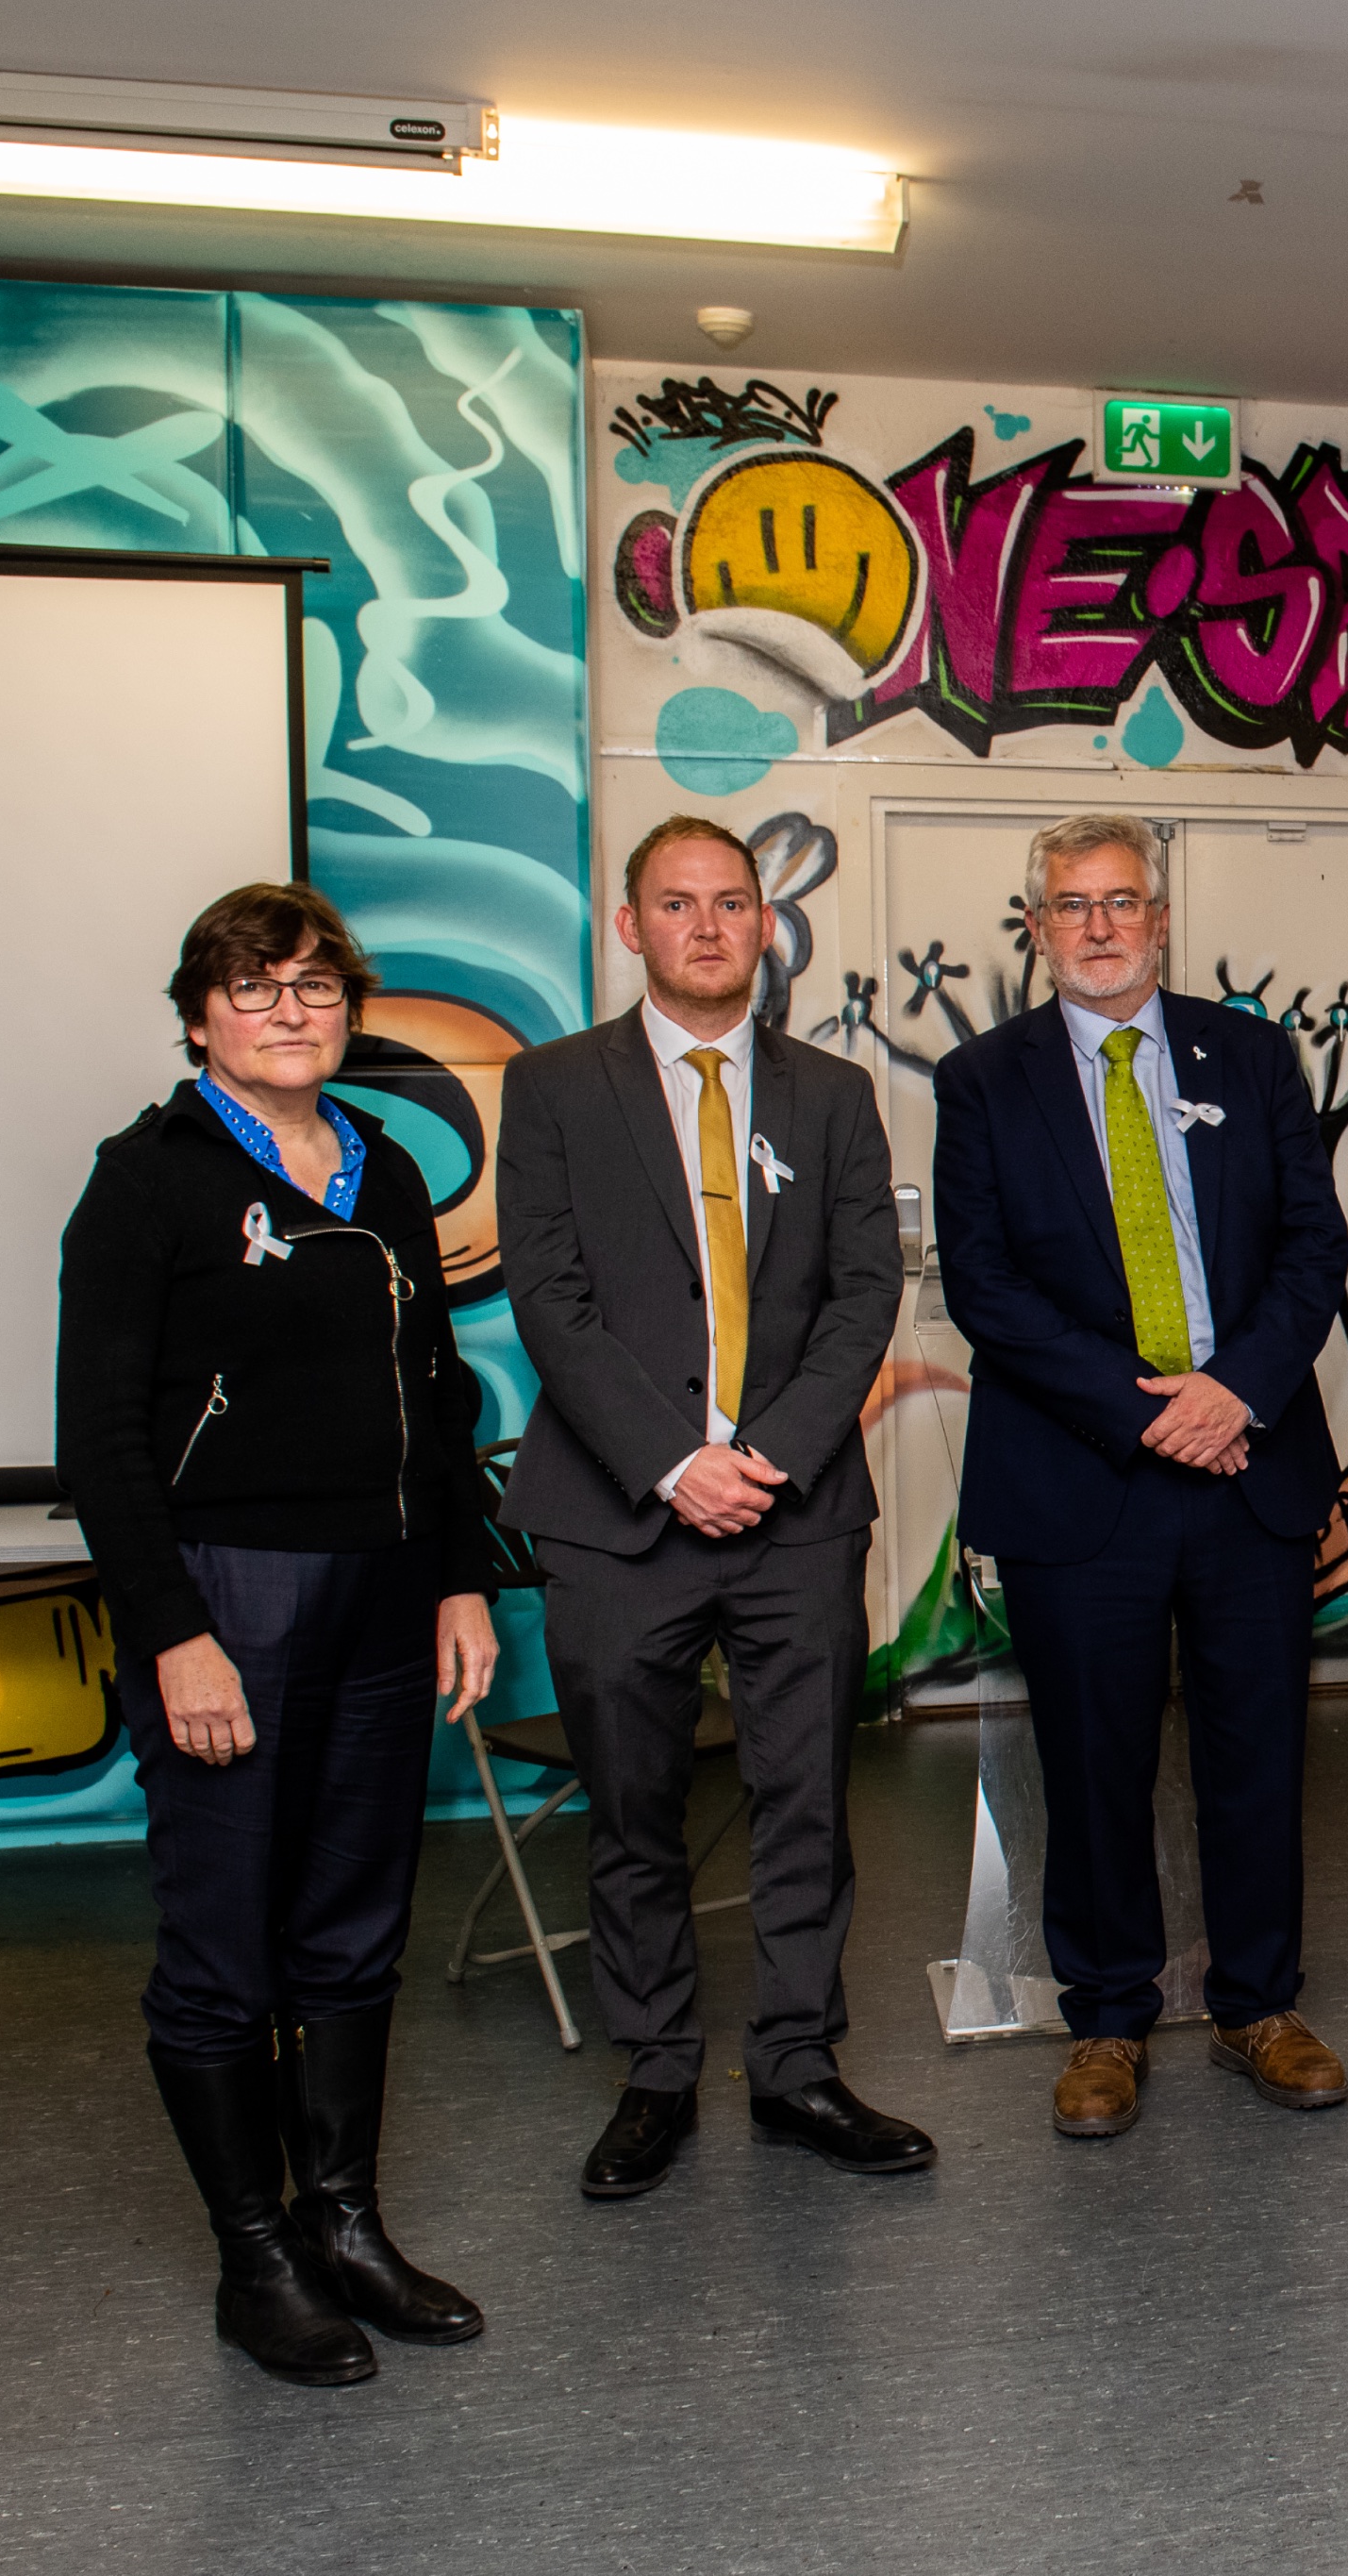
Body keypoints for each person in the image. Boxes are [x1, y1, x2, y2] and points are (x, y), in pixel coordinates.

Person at [57, 882, 502, 2385]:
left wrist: (457, 1578)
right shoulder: (147, 1180)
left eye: (315, 986)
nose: (291, 1010)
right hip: (226, 1601)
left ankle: (347, 2224)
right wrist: (173, 1632)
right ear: (200, 1017)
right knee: (223, 1949)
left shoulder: (378, 1170)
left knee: (349, 1933)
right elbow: (103, 1441)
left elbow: (433, 1395)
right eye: (256, 989)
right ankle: (256, 2258)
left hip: (382, 1588)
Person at [496, 814, 928, 2198]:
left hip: (794, 1514)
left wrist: (774, 1454)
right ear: (630, 925)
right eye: (675, 903)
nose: (705, 925)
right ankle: (658, 2065)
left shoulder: (832, 1094)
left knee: (804, 1796)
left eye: (730, 902)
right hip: (619, 1512)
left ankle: (798, 2062)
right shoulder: (555, 1088)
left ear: (763, 924)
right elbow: (549, 1297)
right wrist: (674, 1459)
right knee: (632, 1807)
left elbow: (867, 1293)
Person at [933, 811, 1348, 2138]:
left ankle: (1258, 2004)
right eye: (1072, 904)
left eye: (1122, 902)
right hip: (1081, 1473)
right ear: (1038, 926)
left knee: (1256, 1751)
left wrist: (1236, 1392)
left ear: (1160, 921)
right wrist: (1148, 1410)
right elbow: (986, 1288)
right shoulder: (982, 1079)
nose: (1100, 924)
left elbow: (1310, 1244)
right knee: (1095, 1758)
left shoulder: (1252, 1053)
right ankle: (1107, 2018)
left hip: (1249, 1460)